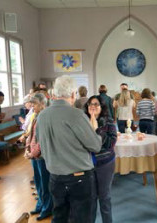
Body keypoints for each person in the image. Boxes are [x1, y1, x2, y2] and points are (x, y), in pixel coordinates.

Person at [36, 75, 102, 223]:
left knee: (60, 217)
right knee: (83, 218)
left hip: (55, 177)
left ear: (54, 94)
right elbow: (96, 146)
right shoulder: (76, 115)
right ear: (73, 94)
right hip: (79, 177)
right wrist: (95, 131)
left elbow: (40, 142)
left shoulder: (42, 116)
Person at [84, 96, 117, 223]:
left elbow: (111, 143)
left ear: (102, 107)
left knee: (104, 197)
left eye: (96, 104)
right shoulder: (83, 121)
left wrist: (97, 129)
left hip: (105, 163)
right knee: (90, 198)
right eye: (90, 104)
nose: (92, 106)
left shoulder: (108, 121)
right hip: (87, 164)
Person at [24, 93, 53, 221]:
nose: (32, 106)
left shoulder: (46, 117)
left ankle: (47, 209)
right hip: (34, 155)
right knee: (38, 183)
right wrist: (27, 148)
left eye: (34, 104)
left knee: (45, 184)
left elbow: (43, 139)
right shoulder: (35, 115)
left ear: (42, 104)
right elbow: (30, 134)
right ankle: (40, 205)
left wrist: (33, 153)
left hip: (42, 156)